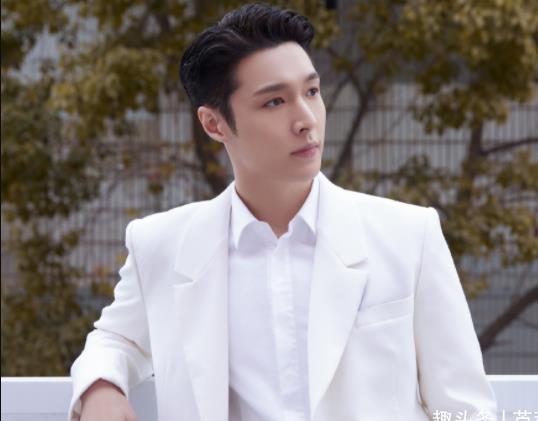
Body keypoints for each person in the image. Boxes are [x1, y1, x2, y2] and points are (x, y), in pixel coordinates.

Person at [68, 3, 498, 421]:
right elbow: (116, 339)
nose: (306, 119)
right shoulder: (161, 245)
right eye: (275, 102)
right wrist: (99, 388)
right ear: (215, 124)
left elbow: (465, 409)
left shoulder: (408, 235)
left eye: (311, 91)